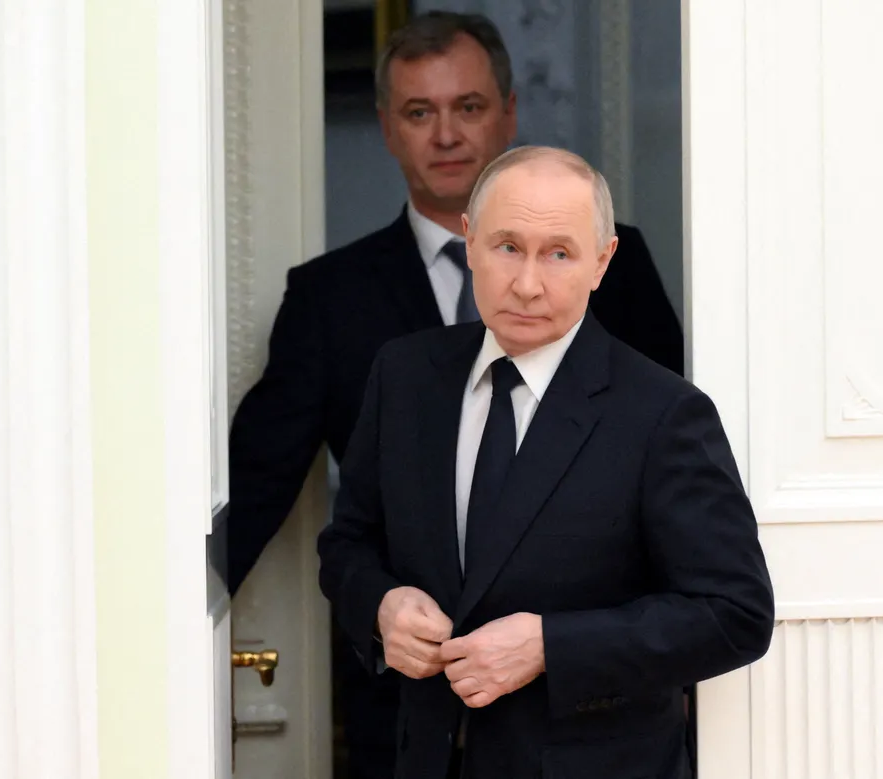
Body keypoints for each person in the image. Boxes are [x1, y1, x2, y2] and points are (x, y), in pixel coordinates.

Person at [226, 12, 683, 778]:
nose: (445, 134)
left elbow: (676, 483)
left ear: (508, 112)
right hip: (409, 722)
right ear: (387, 127)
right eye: (419, 112)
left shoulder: (618, 267)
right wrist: (161, 634)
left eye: (468, 106)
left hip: (588, 729)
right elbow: (266, 490)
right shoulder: (329, 299)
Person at [317, 145, 774, 779]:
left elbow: (735, 614)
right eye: (507, 247)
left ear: (602, 262)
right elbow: (348, 543)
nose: (528, 284)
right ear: (469, 240)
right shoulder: (404, 375)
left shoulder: (664, 413)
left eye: (559, 254)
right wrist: (380, 606)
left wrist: (550, 648)